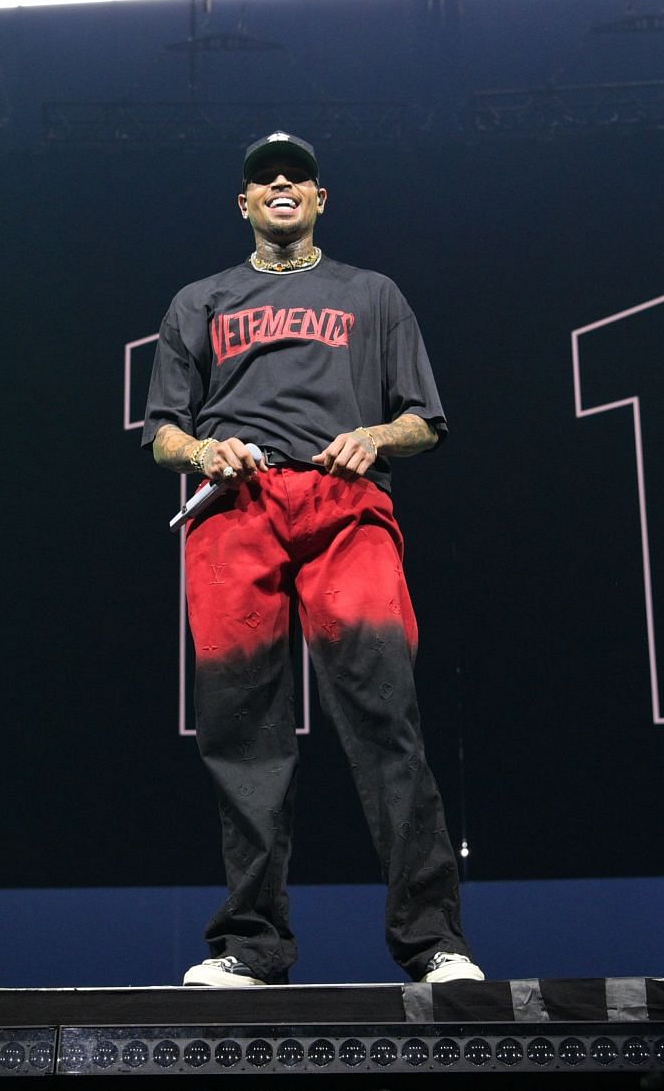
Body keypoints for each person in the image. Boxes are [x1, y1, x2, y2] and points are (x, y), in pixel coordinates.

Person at [141, 132, 481, 987]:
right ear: (246, 204)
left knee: (385, 722)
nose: (281, 184)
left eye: (296, 176)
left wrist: (375, 433)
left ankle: (434, 940)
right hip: (235, 510)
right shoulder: (200, 299)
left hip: (343, 507)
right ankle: (251, 946)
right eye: (264, 179)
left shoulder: (373, 293)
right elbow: (162, 433)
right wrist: (203, 453)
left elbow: (424, 420)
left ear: (320, 199)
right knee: (241, 734)